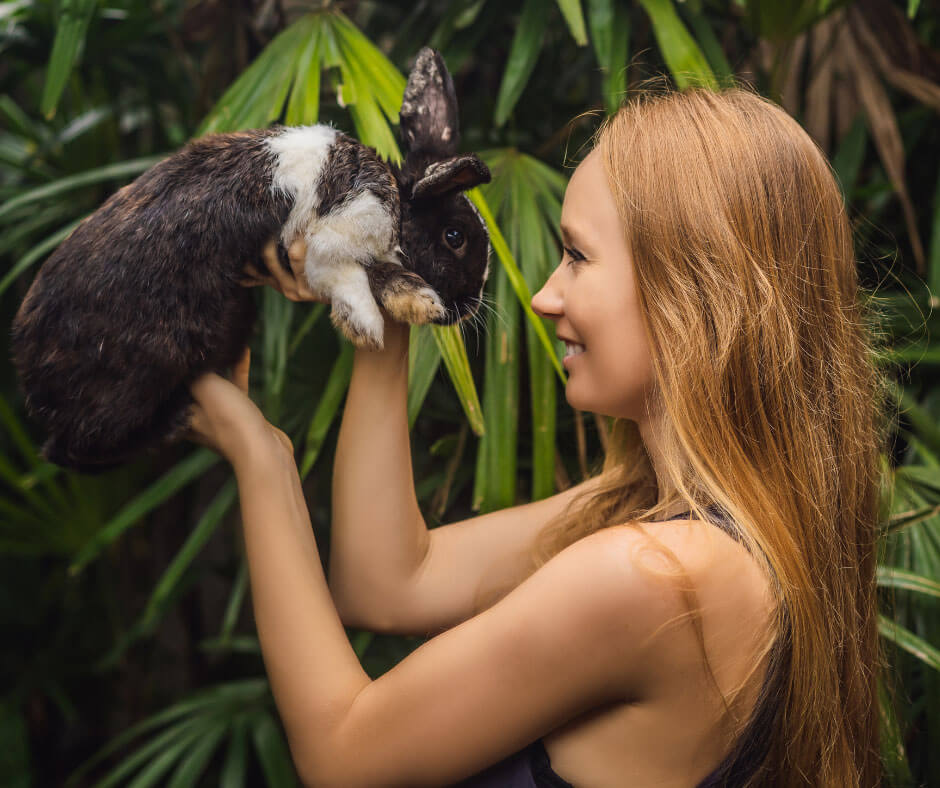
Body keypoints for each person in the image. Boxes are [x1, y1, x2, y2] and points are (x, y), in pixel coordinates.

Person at [186, 84, 889, 787]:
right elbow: (387, 584)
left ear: (694, 291)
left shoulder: (655, 579)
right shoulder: (691, 527)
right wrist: (395, 294)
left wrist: (261, 456)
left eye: (577, 257)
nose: (546, 295)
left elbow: (344, 754)